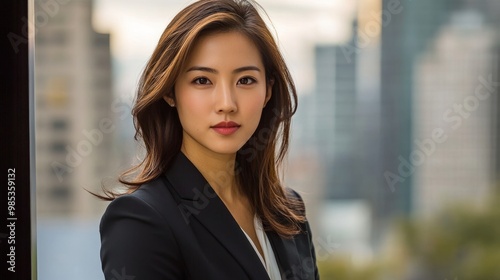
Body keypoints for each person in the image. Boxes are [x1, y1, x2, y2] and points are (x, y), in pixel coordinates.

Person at [98, 0, 319, 279]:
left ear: (268, 91)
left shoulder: (288, 210)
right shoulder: (141, 221)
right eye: (202, 81)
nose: (226, 103)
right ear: (170, 92)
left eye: (245, 80)